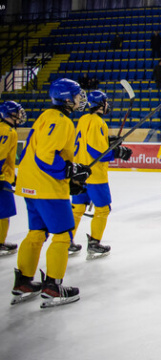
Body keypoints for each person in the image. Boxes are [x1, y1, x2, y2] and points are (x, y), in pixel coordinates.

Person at [12, 78, 91, 307]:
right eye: (76, 95)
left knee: (36, 232)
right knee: (63, 235)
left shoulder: (46, 116)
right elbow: (46, 156)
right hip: (47, 187)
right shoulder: (62, 121)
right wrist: (69, 169)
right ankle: (54, 288)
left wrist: (70, 178)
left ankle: (24, 283)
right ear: (67, 98)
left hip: (30, 184)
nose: (79, 99)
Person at [71, 91, 132, 260]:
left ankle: (66, 240)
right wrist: (117, 152)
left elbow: (90, 142)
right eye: (106, 102)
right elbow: (98, 152)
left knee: (77, 209)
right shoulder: (98, 122)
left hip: (79, 171)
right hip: (95, 175)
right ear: (101, 104)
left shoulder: (83, 119)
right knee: (103, 209)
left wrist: (109, 141)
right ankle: (94, 243)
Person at [0, 101, 26, 256]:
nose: (20, 116)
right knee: (4, 213)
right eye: (17, 113)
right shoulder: (8, 132)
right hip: (1, 179)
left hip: (5, 175)